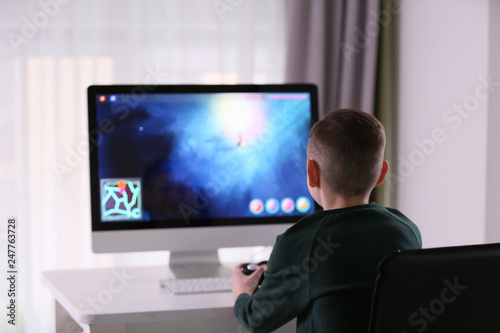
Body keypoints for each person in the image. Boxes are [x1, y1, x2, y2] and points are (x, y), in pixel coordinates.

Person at [231, 108, 422, 333]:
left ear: (312, 172)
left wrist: (241, 293)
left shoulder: (302, 242)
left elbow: (257, 319)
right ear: (382, 173)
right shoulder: (407, 229)